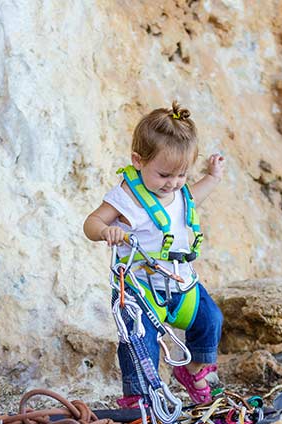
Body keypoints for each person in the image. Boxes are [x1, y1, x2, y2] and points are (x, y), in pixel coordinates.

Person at [83, 101, 225, 407]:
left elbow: (191, 199)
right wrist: (106, 231)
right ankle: (139, 398)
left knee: (210, 319)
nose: (172, 184)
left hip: (180, 284)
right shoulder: (128, 196)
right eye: (164, 175)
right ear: (138, 160)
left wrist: (212, 177)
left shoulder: (177, 192)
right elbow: (91, 223)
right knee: (138, 344)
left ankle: (193, 371)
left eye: (181, 175)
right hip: (139, 289)